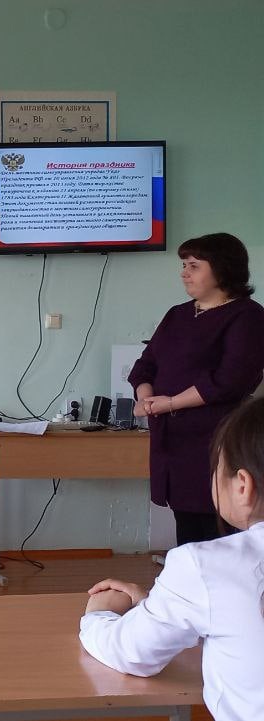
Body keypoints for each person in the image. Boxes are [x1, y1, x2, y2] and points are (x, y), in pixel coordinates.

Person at [79, 395, 264, 721]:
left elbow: (131, 652)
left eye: (216, 468)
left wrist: (98, 615)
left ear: (242, 485)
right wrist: (159, 607)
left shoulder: (206, 566)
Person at [128, 233, 264, 545]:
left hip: (216, 441)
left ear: (222, 269)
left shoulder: (248, 316)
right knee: (188, 531)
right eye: (184, 266)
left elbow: (230, 380)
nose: (184, 273)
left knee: (220, 533)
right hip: (173, 444)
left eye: (193, 266)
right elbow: (146, 364)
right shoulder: (177, 314)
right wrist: (145, 398)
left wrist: (170, 402)